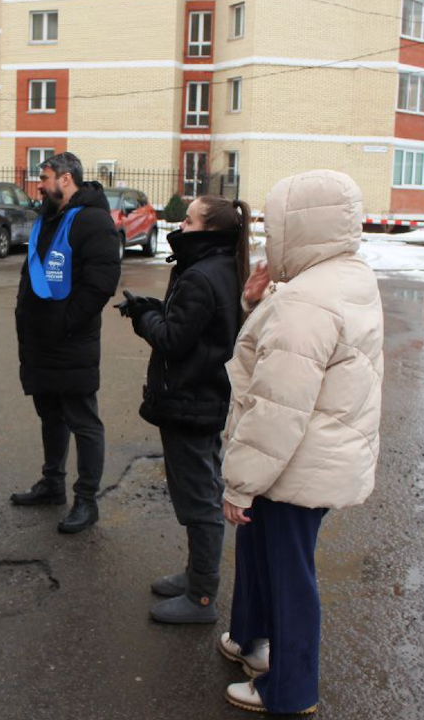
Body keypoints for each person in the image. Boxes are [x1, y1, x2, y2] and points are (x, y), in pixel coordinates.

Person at [218, 170, 384, 714]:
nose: (270, 239)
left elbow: (276, 407)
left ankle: (289, 691)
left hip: (293, 462)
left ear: (300, 228)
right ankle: (253, 644)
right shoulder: (342, 278)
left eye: (276, 226)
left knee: (290, 577)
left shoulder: (307, 300)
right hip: (313, 457)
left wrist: (240, 485)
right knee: (268, 557)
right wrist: (254, 303)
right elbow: (290, 352)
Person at [117, 195, 251, 624]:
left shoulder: (200, 275)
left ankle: (202, 596)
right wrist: (153, 308)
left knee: (200, 499)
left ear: (209, 230)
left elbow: (174, 340)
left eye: (189, 220)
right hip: (204, 397)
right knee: (204, 489)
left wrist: (142, 319)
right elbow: (195, 326)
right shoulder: (221, 266)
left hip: (192, 399)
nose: (182, 223)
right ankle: (197, 575)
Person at [9, 152, 121, 533]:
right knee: (50, 415)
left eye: (44, 177)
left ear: (66, 179)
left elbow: (101, 282)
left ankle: (86, 501)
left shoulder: (93, 221)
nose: (39, 184)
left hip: (70, 341)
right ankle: (52, 484)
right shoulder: (49, 216)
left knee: (83, 421)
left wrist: (66, 323)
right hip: (41, 340)